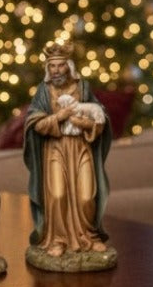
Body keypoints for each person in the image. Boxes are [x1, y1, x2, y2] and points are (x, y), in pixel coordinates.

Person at [24, 40, 112, 257]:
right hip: (55, 148)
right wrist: (58, 118)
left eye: (60, 65)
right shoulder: (43, 91)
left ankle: (89, 237)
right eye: (52, 66)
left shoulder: (83, 88)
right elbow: (34, 123)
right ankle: (58, 239)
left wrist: (88, 125)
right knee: (56, 193)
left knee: (86, 195)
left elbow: (100, 117)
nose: (56, 71)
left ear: (69, 66)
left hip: (81, 147)